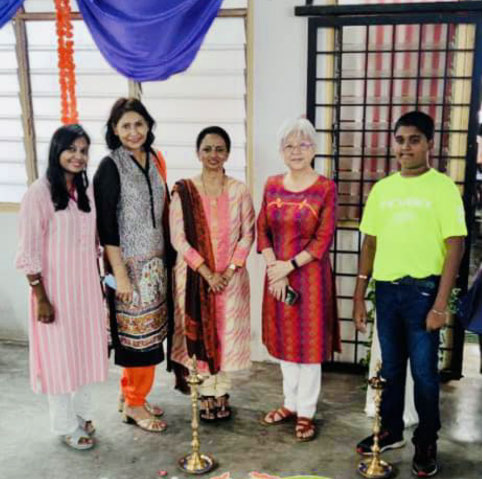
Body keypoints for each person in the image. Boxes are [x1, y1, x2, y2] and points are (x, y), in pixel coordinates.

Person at [353, 111, 467, 478]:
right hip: (387, 292)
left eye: (414, 140)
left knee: (424, 374)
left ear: (430, 144)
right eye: (400, 140)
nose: (405, 147)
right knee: (390, 368)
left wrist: (440, 305)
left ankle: (426, 440)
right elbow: (370, 244)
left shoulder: (443, 188)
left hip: (424, 293)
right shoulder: (383, 189)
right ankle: (391, 430)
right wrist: (359, 295)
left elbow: (456, 246)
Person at [15, 124, 108, 450]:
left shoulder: (85, 191)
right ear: (57, 151)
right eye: (71, 149)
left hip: (86, 291)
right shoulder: (38, 194)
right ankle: (65, 425)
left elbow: (93, 242)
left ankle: (82, 414)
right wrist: (41, 297)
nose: (78, 156)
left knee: (84, 353)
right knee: (59, 359)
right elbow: (28, 252)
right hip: (54, 293)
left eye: (83, 151)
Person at [257, 118, 341, 442]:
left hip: (310, 279)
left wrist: (287, 267)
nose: (296, 151)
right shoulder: (272, 185)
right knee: (284, 343)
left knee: (309, 346)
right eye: (289, 146)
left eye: (303, 145)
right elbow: (262, 230)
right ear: (281, 151)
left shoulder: (325, 188)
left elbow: (322, 239)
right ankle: (289, 403)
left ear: (314, 149)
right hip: (277, 276)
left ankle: (306, 410)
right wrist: (274, 268)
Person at [94, 98, 173, 433]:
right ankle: (134, 404)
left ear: (148, 125)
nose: (133, 132)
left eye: (138, 124)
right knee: (136, 340)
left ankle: (132, 394)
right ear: (114, 130)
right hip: (128, 268)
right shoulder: (110, 167)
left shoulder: (155, 159)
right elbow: (106, 226)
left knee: (151, 336)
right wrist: (120, 276)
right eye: (125, 126)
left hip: (155, 267)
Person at [169, 126, 255, 421]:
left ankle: (222, 392)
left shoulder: (239, 190)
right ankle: (205, 392)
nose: (213, 155)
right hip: (194, 278)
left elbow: (248, 234)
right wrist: (208, 273)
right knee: (200, 333)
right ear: (198, 153)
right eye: (207, 149)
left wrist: (228, 271)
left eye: (219, 149)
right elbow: (178, 238)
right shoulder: (185, 191)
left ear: (228, 153)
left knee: (224, 334)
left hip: (231, 280)